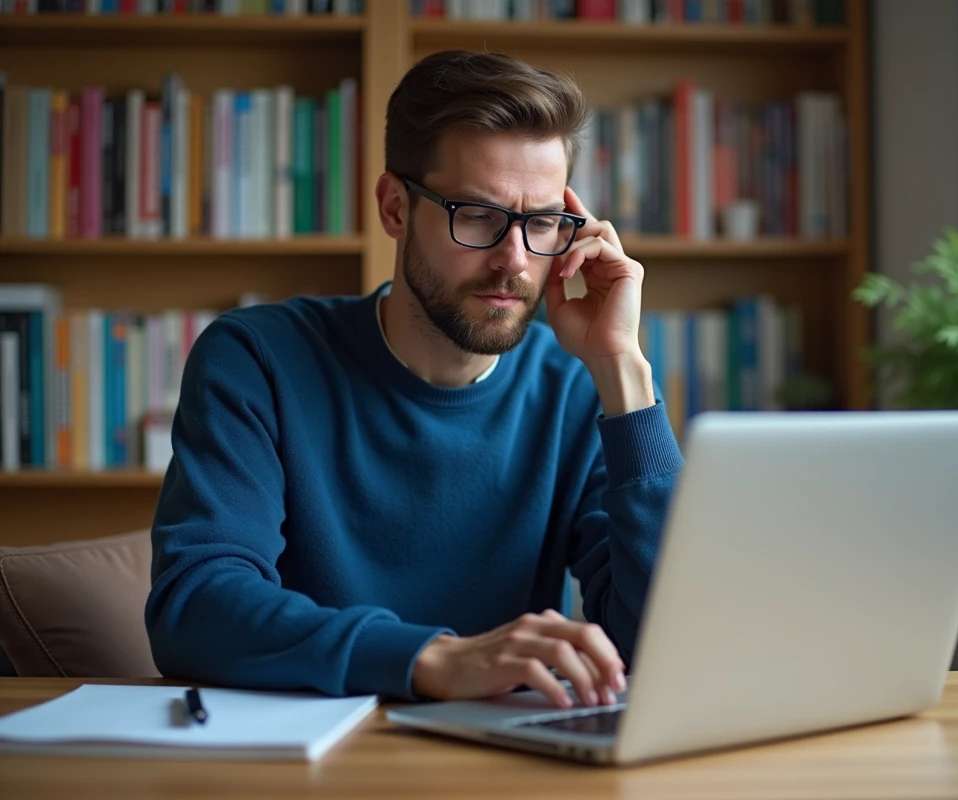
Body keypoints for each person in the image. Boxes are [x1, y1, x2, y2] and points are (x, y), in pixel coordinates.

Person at [144, 50, 683, 711]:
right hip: (299, 761)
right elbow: (194, 606)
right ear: (395, 208)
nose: (514, 261)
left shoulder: (576, 391)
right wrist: (434, 659)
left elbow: (663, 643)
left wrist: (622, 368)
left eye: (542, 222)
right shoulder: (258, 360)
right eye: (478, 216)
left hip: (502, 761)